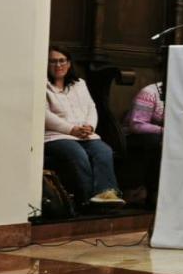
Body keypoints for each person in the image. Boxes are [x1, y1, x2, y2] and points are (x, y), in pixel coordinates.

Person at [44, 46, 124, 209]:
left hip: (85, 134)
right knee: (78, 154)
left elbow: (91, 107)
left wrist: (90, 126)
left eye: (62, 60)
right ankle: (87, 199)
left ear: (69, 63)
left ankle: (106, 195)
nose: (58, 65)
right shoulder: (42, 84)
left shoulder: (79, 84)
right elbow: (43, 114)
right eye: (52, 61)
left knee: (104, 151)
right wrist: (71, 130)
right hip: (56, 136)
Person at [123, 80, 166, 205]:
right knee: (155, 142)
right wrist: (166, 131)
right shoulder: (150, 93)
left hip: (164, 135)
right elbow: (137, 125)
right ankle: (153, 192)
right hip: (135, 136)